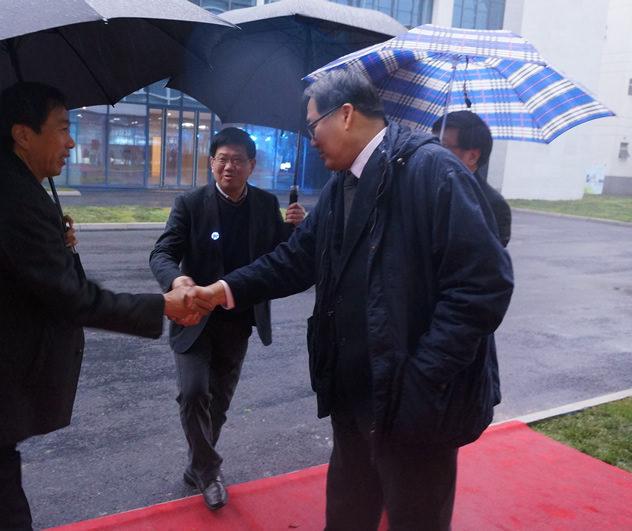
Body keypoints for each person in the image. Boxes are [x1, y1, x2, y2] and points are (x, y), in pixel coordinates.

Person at [192, 69, 514, 530]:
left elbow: (484, 285)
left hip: (418, 402)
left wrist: (423, 377)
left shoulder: (432, 171)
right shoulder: (344, 184)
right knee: (347, 514)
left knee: (415, 519)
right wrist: (219, 291)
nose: (311, 140)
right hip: (354, 393)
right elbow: (295, 259)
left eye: (313, 125)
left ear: (345, 115)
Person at [0, 82, 202, 531]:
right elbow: (73, 299)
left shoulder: (4, 187)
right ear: (23, 135)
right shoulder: (13, 200)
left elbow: (39, 281)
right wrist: (164, 305)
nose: (71, 142)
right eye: (62, 128)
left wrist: (59, 245)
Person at [149, 127, 305, 511]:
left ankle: (198, 466)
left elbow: (281, 256)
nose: (229, 167)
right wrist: (177, 280)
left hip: (239, 318)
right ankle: (209, 470)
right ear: (211, 162)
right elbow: (162, 253)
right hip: (193, 315)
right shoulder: (190, 203)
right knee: (193, 392)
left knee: (218, 401)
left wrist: (296, 229)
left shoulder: (265, 204)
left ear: (252, 165)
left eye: (237, 160)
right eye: (222, 159)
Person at [432, 110, 512, 247]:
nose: (432, 150)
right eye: (432, 142)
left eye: (443, 145)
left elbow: (486, 256)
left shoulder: (492, 205)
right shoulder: (424, 185)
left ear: (472, 157)